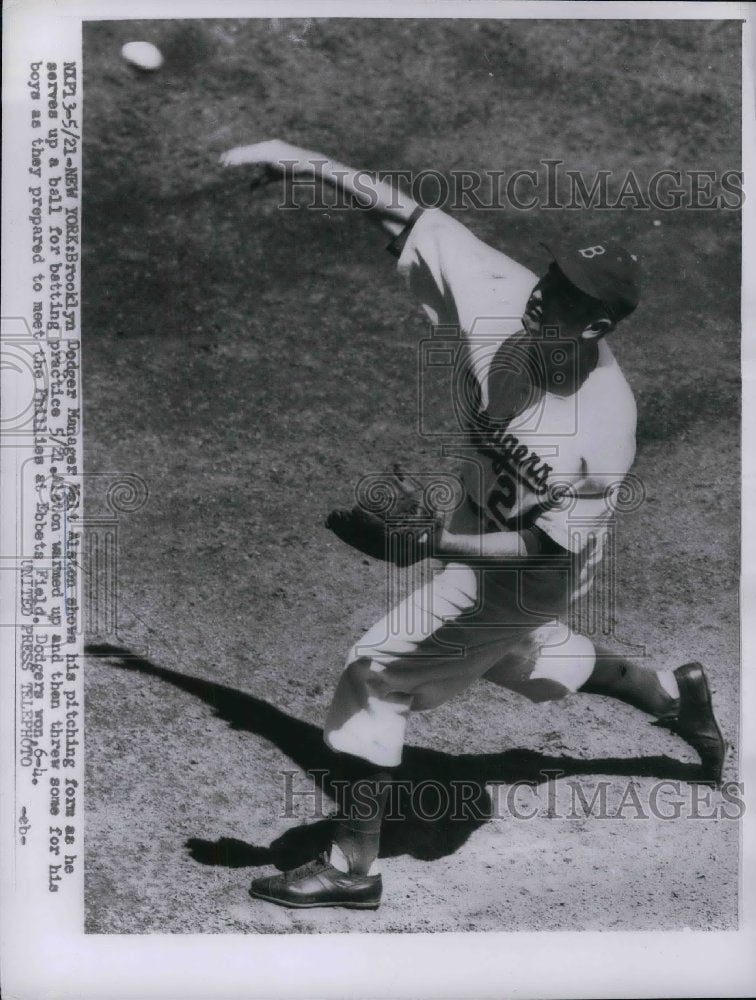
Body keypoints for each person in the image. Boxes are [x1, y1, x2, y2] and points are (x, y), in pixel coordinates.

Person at [219, 140, 726, 911]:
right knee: (513, 655)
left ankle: (351, 868)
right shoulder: (505, 297)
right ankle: (672, 695)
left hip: (532, 572)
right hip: (485, 540)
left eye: (565, 295)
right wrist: (299, 161)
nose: (541, 295)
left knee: (377, 671)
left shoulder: (603, 427)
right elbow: (409, 217)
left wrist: (430, 543)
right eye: (551, 275)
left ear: (595, 326)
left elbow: (543, 546)